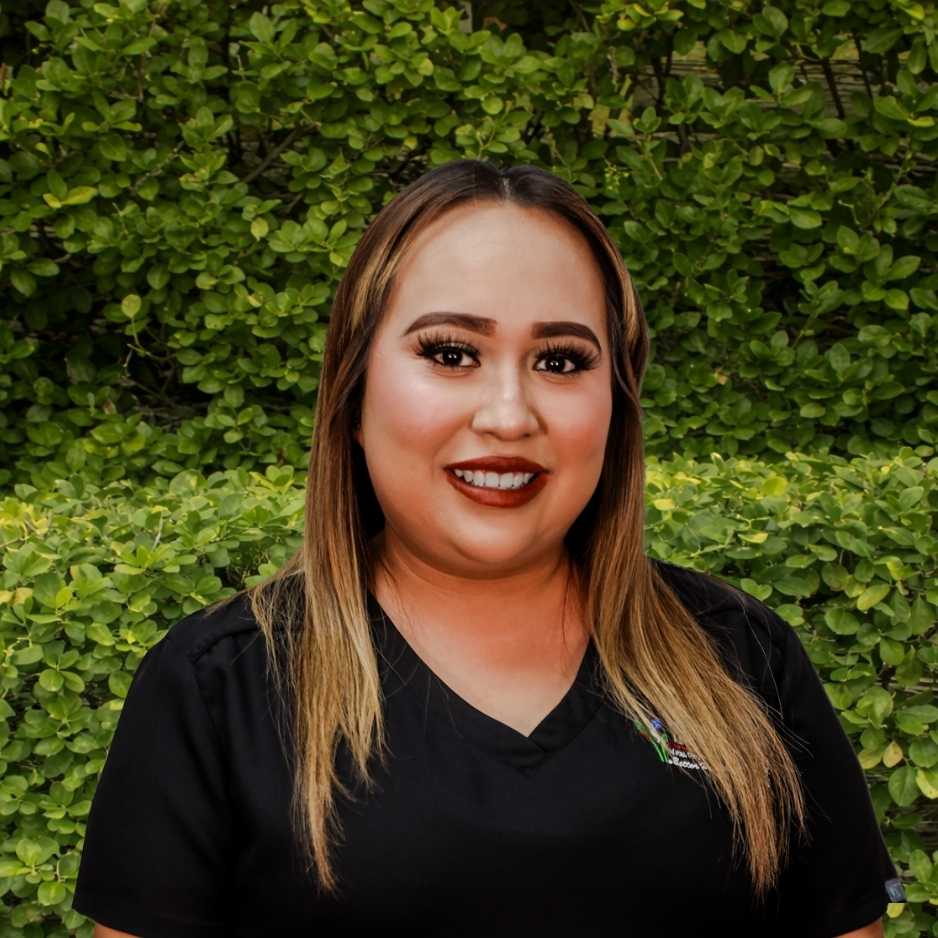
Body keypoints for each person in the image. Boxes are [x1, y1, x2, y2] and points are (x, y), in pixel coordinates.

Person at [72, 159, 903, 937]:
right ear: (353, 394)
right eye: (451, 353)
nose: (509, 415)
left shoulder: (743, 659)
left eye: (560, 361)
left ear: (617, 402)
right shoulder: (217, 689)